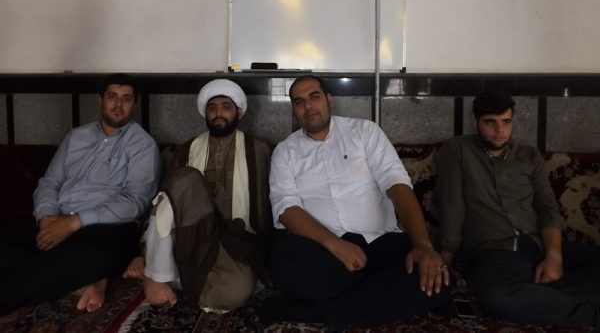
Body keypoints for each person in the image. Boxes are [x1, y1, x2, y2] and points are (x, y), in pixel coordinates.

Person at [261, 75, 451, 331]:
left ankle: (316, 310)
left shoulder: (364, 132)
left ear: (329, 99)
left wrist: (422, 245)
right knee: (285, 263)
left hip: (380, 241)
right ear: (294, 109)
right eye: (299, 101)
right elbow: (286, 208)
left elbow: (396, 184)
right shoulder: (285, 152)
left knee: (438, 276)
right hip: (323, 250)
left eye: (314, 97)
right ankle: (378, 296)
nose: (308, 106)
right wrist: (335, 244)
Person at [0, 73, 161, 315]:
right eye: (112, 96)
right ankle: (86, 281)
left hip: (108, 228)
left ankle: (74, 278)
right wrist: (46, 219)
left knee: (70, 261)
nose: (118, 104)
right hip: (58, 217)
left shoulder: (143, 145)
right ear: (100, 100)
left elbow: (134, 202)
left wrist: (75, 222)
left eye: (126, 98)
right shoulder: (76, 137)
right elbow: (50, 182)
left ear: (134, 105)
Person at [437, 90, 600, 326]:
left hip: (538, 245)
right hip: (495, 253)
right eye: (490, 122)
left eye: (506, 121)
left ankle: (536, 294)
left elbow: (547, 206)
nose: (499, 130)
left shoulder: (529, 155)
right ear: (476, 122)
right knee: (498, 297)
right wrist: (445, 261)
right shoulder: (458, 150)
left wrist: (554, 256)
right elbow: (452, 206)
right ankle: (589, 313)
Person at [123, 79, 273, 312]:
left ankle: (178, 276)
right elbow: (166, 203)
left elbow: (269, 204)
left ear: (239, 112)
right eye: (212, 107)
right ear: (205, 113)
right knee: (185, 178)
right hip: (192, 232)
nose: (218, 113)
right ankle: (156, 275)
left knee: (235, 291)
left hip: (236, 239)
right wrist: (144, 251)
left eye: (226, 106)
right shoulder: (187, 149)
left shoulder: (259, 150)